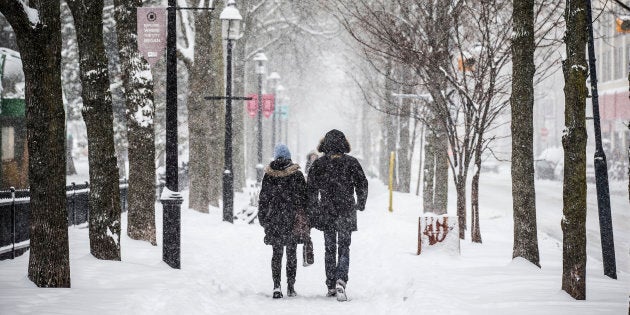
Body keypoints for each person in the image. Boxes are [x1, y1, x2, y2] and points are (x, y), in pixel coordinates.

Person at [306, 129, 368, 302]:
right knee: (344, 247)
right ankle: (341, 279)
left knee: (329, 248)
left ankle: (331, 284)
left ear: (325, 144)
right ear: (343, 144)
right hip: (347, 210)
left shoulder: (319, 164)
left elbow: (311, 188)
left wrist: (313, 207)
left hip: (327, 210)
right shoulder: (351, 163)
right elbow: (362, 183)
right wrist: (360, 202)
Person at [258, 144, 308, 299]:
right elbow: (304, 198)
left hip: (274, 219)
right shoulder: (297, 175)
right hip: (292, 218)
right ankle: (291, 287)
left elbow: (263, 198)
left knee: (277, 253)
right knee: (291, 253)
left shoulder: (269, 174)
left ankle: (276, 286)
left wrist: (263, 217)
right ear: (289, 157)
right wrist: (306, 217)